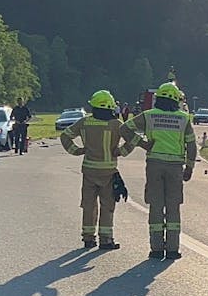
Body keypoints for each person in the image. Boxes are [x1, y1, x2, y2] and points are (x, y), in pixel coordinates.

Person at [123, 81, 198, 260]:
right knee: (173, 207)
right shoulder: (184, 118)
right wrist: (190, 167)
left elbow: (124, 129)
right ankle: (172, 250)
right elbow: (192, 145)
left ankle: (156, 249)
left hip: (154, 165)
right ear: (176, 100)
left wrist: (143, 144)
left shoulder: (149, 115)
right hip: (176, 168)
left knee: (156, 206)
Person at [59, 90, 141, 250]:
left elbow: (65, 136)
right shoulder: (116, 125)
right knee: (107, 206)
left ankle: (88, 239)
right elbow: (133, 139)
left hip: (89, 171)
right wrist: (121, 151)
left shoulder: (84, 123)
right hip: (108, 172)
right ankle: (106, 239)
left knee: (88, 206)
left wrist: (76, 150)